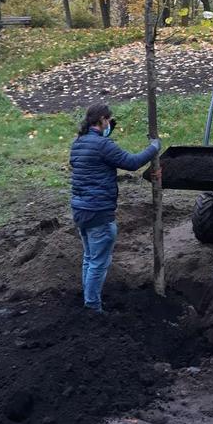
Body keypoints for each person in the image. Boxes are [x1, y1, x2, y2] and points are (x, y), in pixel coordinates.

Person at [70, 102, 160, 313]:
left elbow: (92, 170)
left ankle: (88, 300)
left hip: (80, 209)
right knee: (99, 262)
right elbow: (132, 162)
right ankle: (92, 307)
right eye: (109, 120)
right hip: (98, 211)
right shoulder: (103, 145)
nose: (110, 123)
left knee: (89, 258)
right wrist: (154, 147)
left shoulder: (78, 143)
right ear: (102, 120)